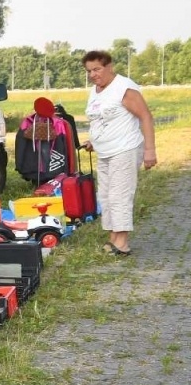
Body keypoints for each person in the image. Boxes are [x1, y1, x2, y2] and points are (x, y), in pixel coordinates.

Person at [81, 49, 156, 256]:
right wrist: (94, 141)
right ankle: (114, 236)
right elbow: (103, 120)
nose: (93, 74)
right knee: (105, 195)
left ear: (109, 66)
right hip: (105, 152)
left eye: (97, 69)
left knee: (119, 194)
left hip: (125, 148)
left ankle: (122, 243)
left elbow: (146, 117)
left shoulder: (124, 88)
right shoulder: (95, 91)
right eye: (89, 71)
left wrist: (150, 150)